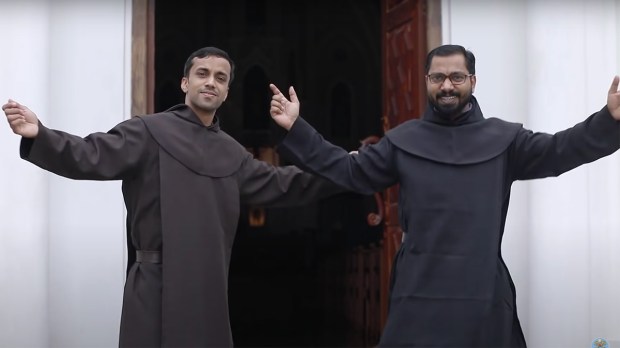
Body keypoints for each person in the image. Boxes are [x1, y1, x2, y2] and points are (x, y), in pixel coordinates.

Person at [269, 44, 620, 347]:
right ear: (426, 82)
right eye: (438, 77)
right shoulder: (402, 141)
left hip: (481, 288)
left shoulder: (505, 140)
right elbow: (351, 172)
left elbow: (560, 150)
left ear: (473, 81)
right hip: (419, 289)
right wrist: (299, 129)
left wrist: (608, 120)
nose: (447, 85)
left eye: (456, 77)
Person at [3, 46, 340, 347]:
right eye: (202, 74)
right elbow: (90, 154)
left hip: (207, 288)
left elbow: (285, 184)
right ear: (185, 84)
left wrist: (347, 167)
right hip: (154, 283)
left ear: (225, 93)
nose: (211, 82)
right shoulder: (148, 131)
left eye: (220, 78)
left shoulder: (232, 154)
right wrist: (41, 134)